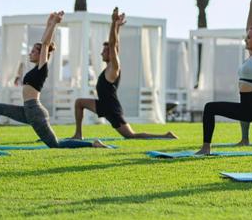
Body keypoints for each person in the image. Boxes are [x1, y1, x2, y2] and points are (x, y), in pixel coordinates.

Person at [0, 11, 109, 149]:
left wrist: (54, 24)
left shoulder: (42, 68)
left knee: (56, 144)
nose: (30, 53)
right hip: (28, 110)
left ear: (41, 54)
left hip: (35, 112)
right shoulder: (36, 69)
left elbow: (45, 44)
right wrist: (49, 23)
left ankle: (93, 144)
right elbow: (44, 43)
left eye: (33, 51)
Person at [71, 8, 176, 140]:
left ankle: (166, 136)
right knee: (79, 103)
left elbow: (114, 45)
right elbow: (116, 44)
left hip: (111, 108)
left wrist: (113, 23)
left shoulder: (114, 67)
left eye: (104, 51)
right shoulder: (109, 66)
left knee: (131, 136)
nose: (101, 53)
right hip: (102, 104)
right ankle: (78, 134)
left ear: (110, 53)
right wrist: (117, 26)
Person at [196, 0, 252, 155]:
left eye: (249, 38)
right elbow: (251, 29)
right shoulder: (251, 55)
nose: (246, 39)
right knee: (210, 108)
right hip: (245, 105)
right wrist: (251, 7)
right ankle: (205, 147)